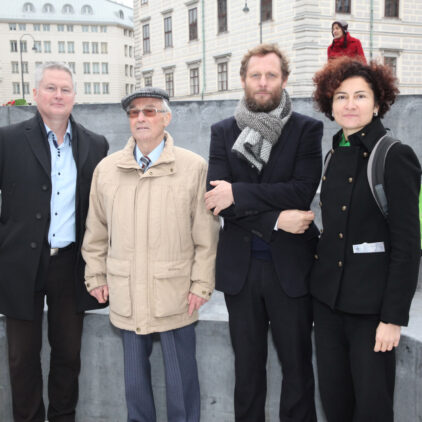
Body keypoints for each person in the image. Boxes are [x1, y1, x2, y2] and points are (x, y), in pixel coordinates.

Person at [82, 87, 219, 422]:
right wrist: (96, 275)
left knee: (181, 383)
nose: (141, 118)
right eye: (134, 112)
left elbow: (206, 234)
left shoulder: (193, 167)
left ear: (166, 118)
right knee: (135, 385)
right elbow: (96, 230)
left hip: (174, 292)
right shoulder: (107, 170)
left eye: (150, 111)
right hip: (127, 291)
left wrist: (201, 284)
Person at [205, 44, 323, 422]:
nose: (263, 82)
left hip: (291, 270)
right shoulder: (223, 132)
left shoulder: (306, 130)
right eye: (255, 75)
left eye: (271, 75)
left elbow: (301, 191)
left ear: (284, 80)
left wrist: (238, 193)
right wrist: (274, 219)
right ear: (243, 80)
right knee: (247, 372)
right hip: (241, 272)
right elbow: (217, 200)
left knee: (297, 369)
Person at [310, 57, 421, 421]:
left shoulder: (395, 156)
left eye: (360, 95)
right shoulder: (332, 154)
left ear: (377, 103)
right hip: (328, 307)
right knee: (335, 405)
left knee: (372, 409)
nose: (350, 104)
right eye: (341, 96)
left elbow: (408, 246)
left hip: (372, 314)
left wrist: (392, 318)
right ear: (330, 105)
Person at [0, 62, 109, 422]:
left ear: (75, 96)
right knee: (22, 358)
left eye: (65, 89)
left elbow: (99, 211)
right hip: (20, 265)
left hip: (69, 264)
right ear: (35, 94)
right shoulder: (7, 140)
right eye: (50, 88)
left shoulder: (95, 144)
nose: (58, 95)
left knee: (68, 355)